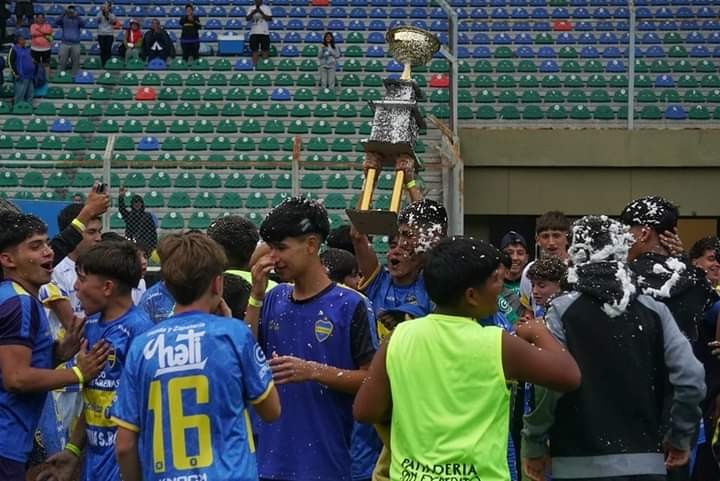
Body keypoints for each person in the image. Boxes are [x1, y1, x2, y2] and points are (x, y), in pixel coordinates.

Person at [354, 236, 581, 481]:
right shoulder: (497, 343)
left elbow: (365, 410)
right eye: (496, 280)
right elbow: (568, 375)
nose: (501, 286)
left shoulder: (399, 337)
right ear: (472, 296)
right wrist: (539, 330)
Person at [522, 215, 706, 481]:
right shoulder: (653, 310)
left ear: (576, 253)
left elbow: (549, 387)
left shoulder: (562, 311)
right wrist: (679, 435)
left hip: (576, 460)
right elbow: (690, 378)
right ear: (622, 250)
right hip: (645, 460)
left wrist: (534, 442)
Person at [111, 232, 281, 481]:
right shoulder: (234, 335)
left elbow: (124, 445)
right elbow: (271, 410)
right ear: (217, 283)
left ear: (167, 285)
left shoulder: (142, 346)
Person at [246, 197, 377, 481]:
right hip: (268, 463)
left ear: (311, 245)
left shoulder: (351, 304)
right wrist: (255, 297)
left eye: (281, 248)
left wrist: (314, 371)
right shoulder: (272, 299)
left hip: (328, 464)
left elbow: (371, 380)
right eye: (270, 248)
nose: (273, 258)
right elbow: (246, 362)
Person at [0, 211, 109, 481]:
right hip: (6, 442)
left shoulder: (13, 296)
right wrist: (78, 373)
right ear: (8, 259)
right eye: (35, 247)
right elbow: (16, 378)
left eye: (47, 243)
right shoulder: (20, 303)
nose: (48, 252)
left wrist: (58, 354)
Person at [37, 241, 152, 481]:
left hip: (126, 462)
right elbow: (93, 402)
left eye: (82, 279)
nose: (76, 287)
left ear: (107, 287)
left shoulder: (139, 332)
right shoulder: (89, 327)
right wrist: (73, 450)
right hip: (94, 462)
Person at [118, 187, 157, 253]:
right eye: (135, 202)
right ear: (132, 204)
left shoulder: (147, 216)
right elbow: (122, 209)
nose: (137, 204)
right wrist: (121, 197)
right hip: (132, 242)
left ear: (142, 204)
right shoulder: (129, 215)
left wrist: (153, 245)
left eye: (139, 202)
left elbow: (153, 231)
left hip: (145, 243)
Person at [55, 5, 84, 76]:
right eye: (69, 9)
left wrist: (77, 16)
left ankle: (74, 77)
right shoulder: (64, 18)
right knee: (62, 62)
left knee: (75, 63)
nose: (71, 11)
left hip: (75, 44)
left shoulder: (77, 18)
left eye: (72, 10)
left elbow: (83, 24)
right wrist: (63, 13)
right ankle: (61, 76)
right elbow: (57, 21)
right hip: (65, 43)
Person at [8, 33, 34, 105]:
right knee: (20, 96)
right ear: (18, 41)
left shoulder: (26, 49)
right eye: (23, 39)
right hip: (21, 77)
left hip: (30, 76)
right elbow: (10, 62)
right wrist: (15, 73)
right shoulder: (14, 49)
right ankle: (17, 111)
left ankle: (29, 110)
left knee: (30, 95)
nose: (24, 41)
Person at [246, 0, 272, 66]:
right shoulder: (251, 8)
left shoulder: (266, 8)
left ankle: (264, 65)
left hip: (264, 32)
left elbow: (269, 18)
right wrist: (253, 12)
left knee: (265, 50)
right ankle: (255, 65)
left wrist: (261, 12)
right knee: (254, 50)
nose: (258, 1)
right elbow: (247, 18)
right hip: (254, 32)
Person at [95, 2, 115, 67]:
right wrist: (102, 13)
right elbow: (97, 20)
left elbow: (112, 22)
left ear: (109, 7)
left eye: (107, 6)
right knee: (103, 49)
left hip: (109, 34)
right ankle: (103, 64)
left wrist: (107, 14)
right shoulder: (99, 14)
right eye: (104, 6)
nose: (105, 7)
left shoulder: (112, 15)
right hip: (101, 34)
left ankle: (108, 64)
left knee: (108, 49)